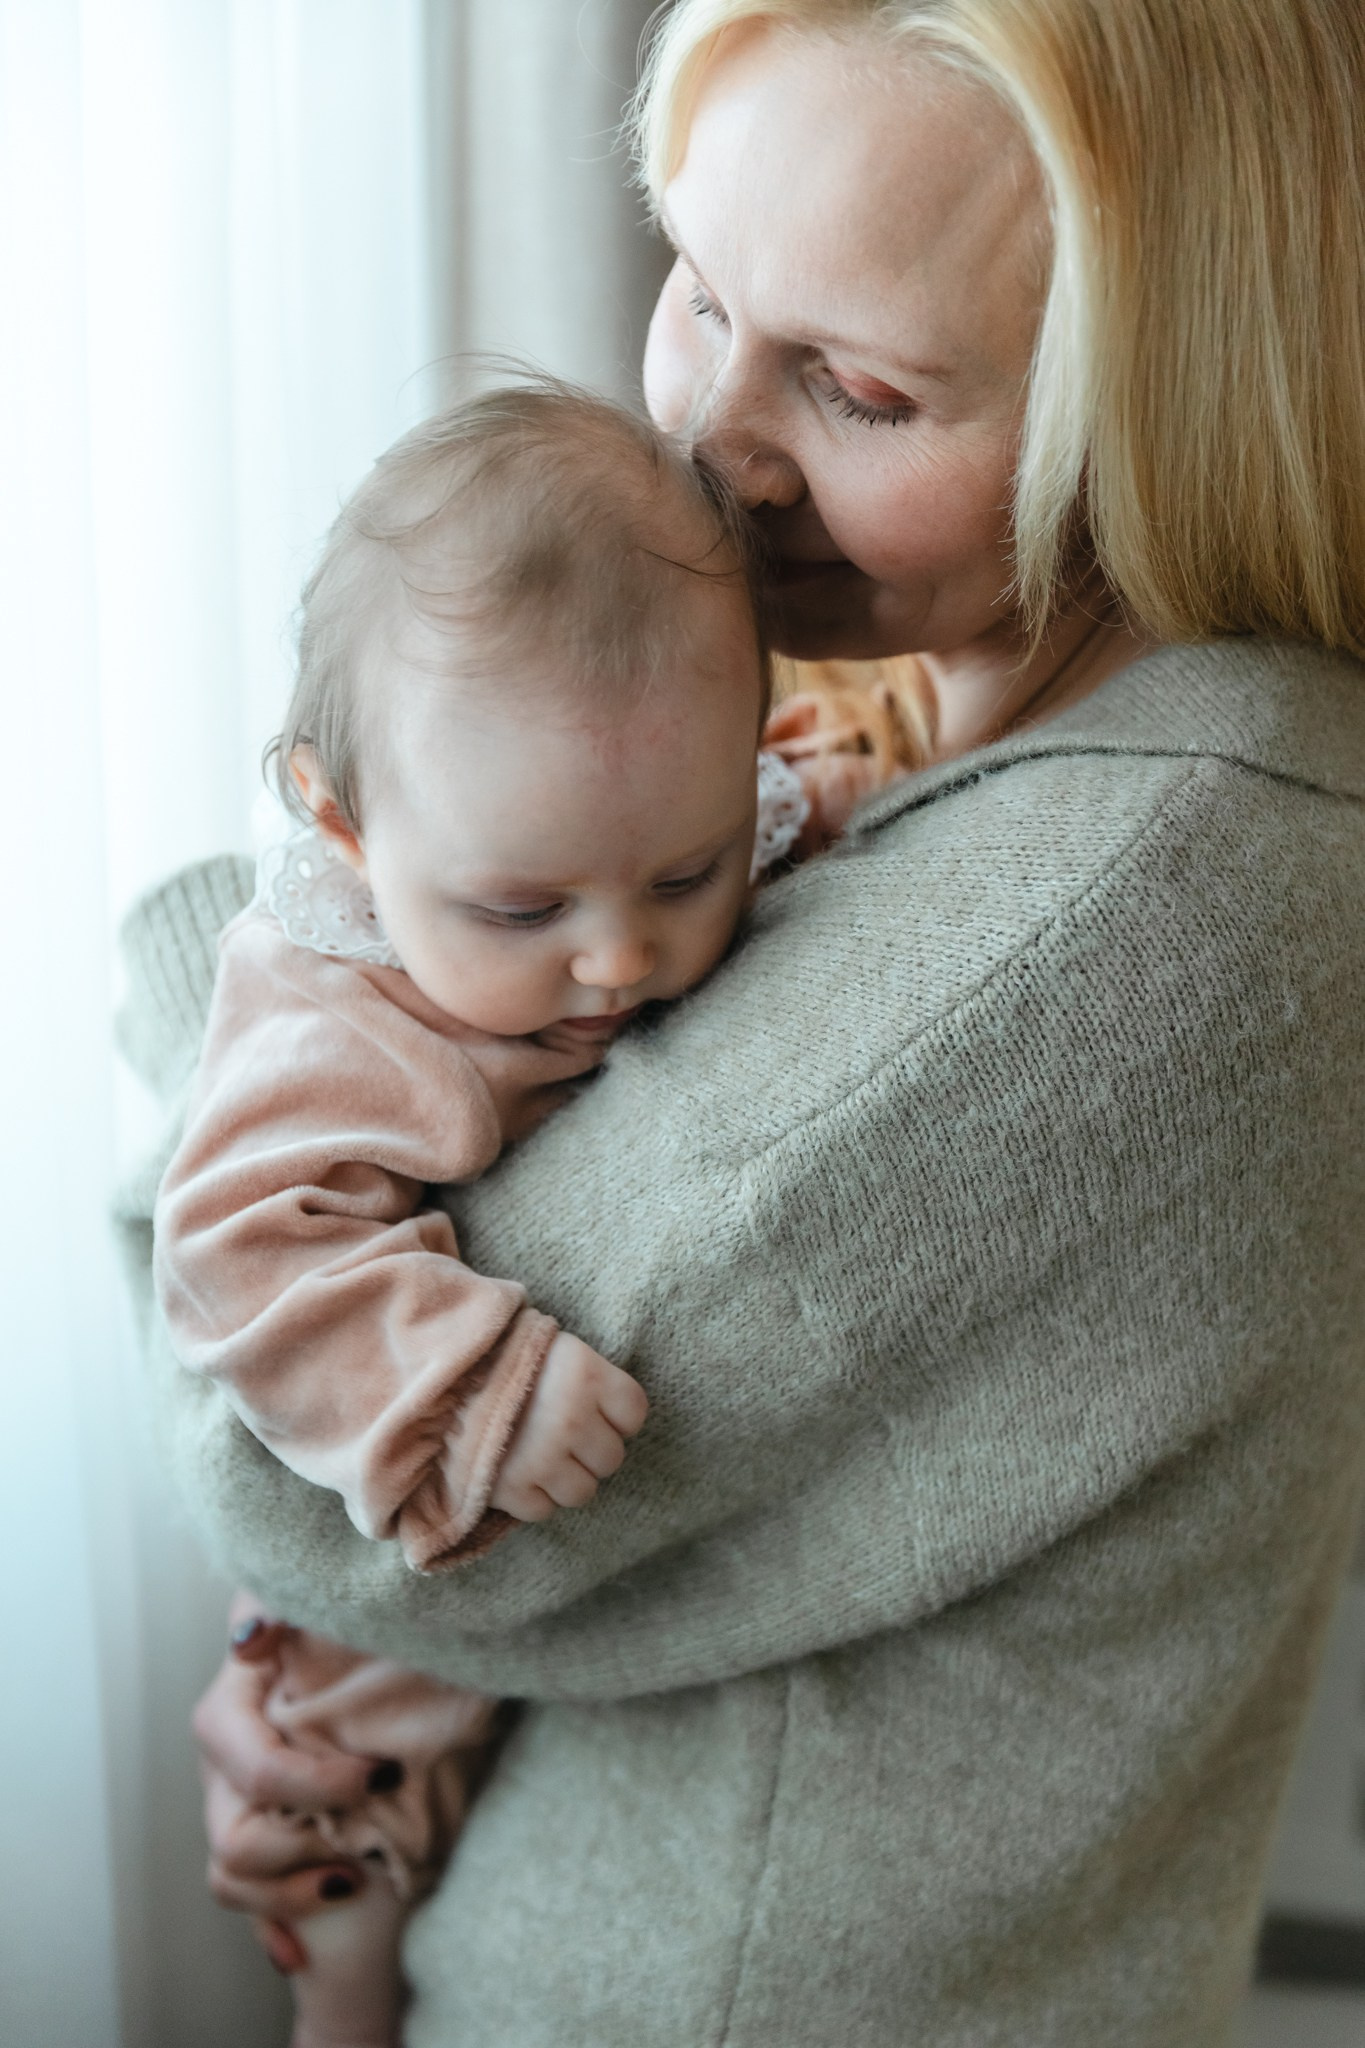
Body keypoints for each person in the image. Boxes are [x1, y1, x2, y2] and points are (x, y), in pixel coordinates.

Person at [114, 1, 1365, 2041]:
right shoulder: (878, 735)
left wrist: (238, 977)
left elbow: (314, 1486)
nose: (697, 447)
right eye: (692, 286)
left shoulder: (1133, 893)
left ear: (1156, 400)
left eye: (857, 388)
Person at [150, 380, 851, 2047]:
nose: (614, 957)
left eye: (686, 876)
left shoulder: (633, 809)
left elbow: (801, 803)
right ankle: (338, 1990)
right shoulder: (347, 1010)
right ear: (341, 820)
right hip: (342, 1572)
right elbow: (236, 1243)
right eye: (522, 907)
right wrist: (463, 1383)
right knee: (351, 1769)